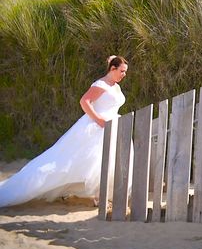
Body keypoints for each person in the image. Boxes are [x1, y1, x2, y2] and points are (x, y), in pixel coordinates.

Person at [0, 55, 128, 208]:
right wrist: (99, 120)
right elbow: (84, 101)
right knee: (72, 161)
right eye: (122, 71)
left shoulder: (115, 85)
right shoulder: (101, 85)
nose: (124, 74)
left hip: (112, 126)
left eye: (125, 72)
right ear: (112, 69)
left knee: (105, 162)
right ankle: (99, 198)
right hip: (97, 127)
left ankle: (100, 196)